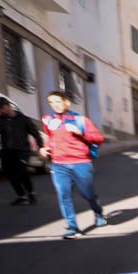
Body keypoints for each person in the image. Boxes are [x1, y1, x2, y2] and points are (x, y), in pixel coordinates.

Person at [41, 90, 105, 239]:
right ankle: (72, 227)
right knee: (63, 195)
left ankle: (98, 213)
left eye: (58, 101)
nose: (55, 105)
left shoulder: (80, 120)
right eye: (51, 102)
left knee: (87, 194)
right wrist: (45, 148)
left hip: (80, 162)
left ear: (66, 102)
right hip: (58, 164)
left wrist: (81, 133)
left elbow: (99, 138)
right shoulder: (48, 119)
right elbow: (49, 137)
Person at [0, 97, 41, 205]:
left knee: (22, 171)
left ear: (8, 106)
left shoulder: (23, 119)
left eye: (3, 107)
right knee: (10, 174)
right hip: (7, 151)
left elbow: (35, 133)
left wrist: (41, 147)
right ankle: (21, 196)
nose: (1, 110)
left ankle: (31, 193)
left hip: (22, 150)